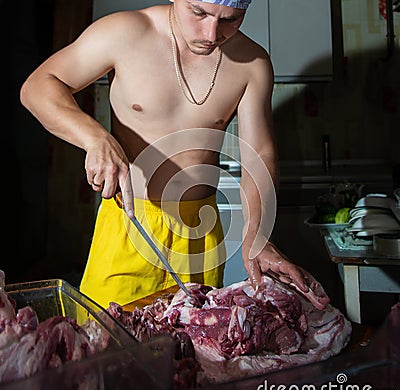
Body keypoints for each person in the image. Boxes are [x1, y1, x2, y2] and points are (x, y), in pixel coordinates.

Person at [20, 0, 329, 310]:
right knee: (108, 344)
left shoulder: (253, 63)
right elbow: (38, 86)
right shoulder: (124, 33)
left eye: (230, 19)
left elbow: (259, 154)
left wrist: (257, 235)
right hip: (130, 225)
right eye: (199, 13)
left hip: (200, 235)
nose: (211, 34)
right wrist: (95, 137)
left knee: (196, 347)